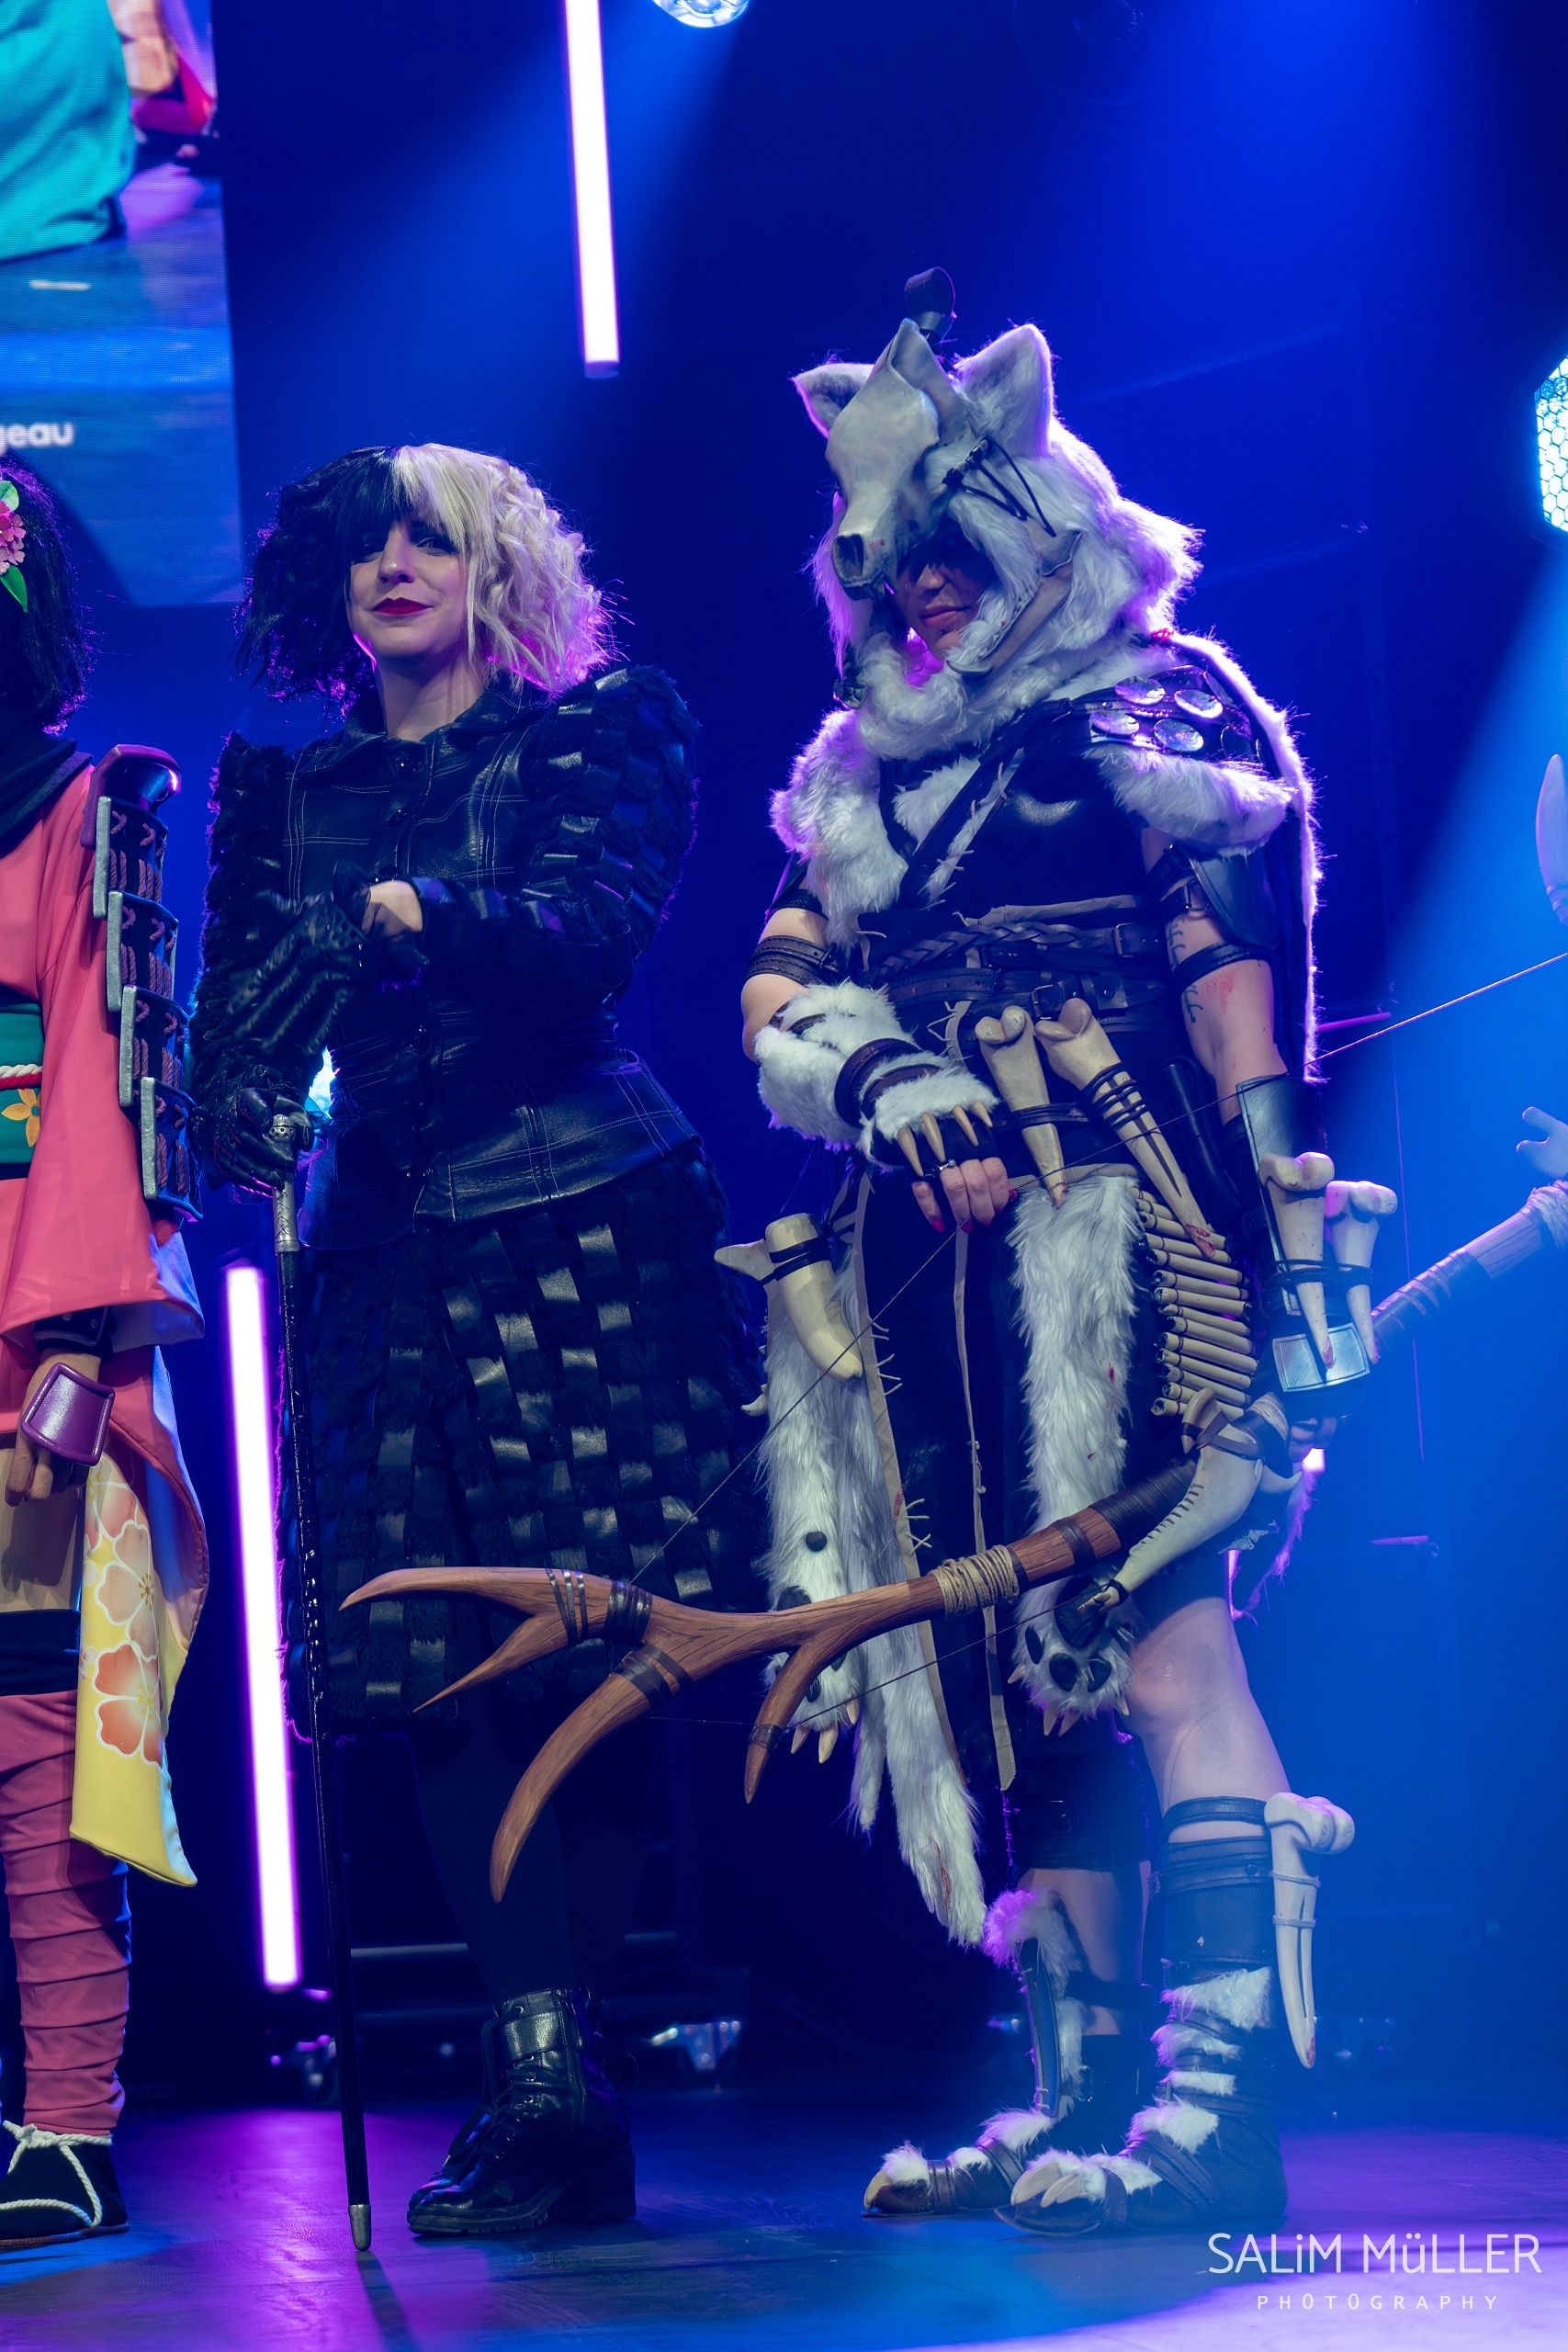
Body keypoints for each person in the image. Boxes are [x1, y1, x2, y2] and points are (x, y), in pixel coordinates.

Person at [739, 276, 1382, 2233]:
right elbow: (779, 983)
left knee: (1164, 1639)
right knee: (1015, 1671)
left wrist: (1292, 1233)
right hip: (929, 1284)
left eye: (953, 556)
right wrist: (879, 1072)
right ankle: (1082, 2087)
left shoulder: (1151, 706)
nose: (922, 597)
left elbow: (1229, 987)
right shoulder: (862, 769)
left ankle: (1219, 2095)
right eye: (895, 569)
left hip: (1138, 1238)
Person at [188, 442, 761, 2237]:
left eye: (428, 536)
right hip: (381, 1255)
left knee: (578, 1654)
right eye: (365, 543)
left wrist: (418, 915)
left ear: (495, 560)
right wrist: (240, 1107)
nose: (394, 564)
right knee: (429, 1666)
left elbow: (590, 938)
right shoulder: (290, 793)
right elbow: (231, 1036)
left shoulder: (596, 734)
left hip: (579, 1225)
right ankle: (540, 2092)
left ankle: (566, 2090)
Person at [0, 464, 205, 2245]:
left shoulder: (87, 810)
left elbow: (102, 1082)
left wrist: (73, 1345)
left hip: (28, 1317)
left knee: (37, 1719)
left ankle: (66, 2124)